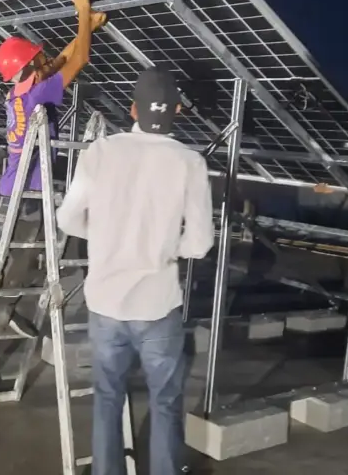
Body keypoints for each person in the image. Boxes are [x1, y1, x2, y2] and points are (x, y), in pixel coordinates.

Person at [57, 67, 214, 475]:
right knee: (165, 402)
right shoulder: (190, 162)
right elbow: (199, 243)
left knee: (107, 398)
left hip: (106, 303)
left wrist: (107, 236)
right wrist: (164, 247)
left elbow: (68, 219)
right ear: (176, 110)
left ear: (132, 110)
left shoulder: (100, 152)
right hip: (158, 305)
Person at [0, 0, 107, 389]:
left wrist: (87, 27)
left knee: (28, 264)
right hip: (24, 200)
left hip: (20, 196)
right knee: (10, 277)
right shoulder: (37, 93)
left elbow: (60, 61)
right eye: (38, 59)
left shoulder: (20, 92)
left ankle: (10, 314)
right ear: (28, 68)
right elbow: (78, 61)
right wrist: (82, 14)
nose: (45, 60)